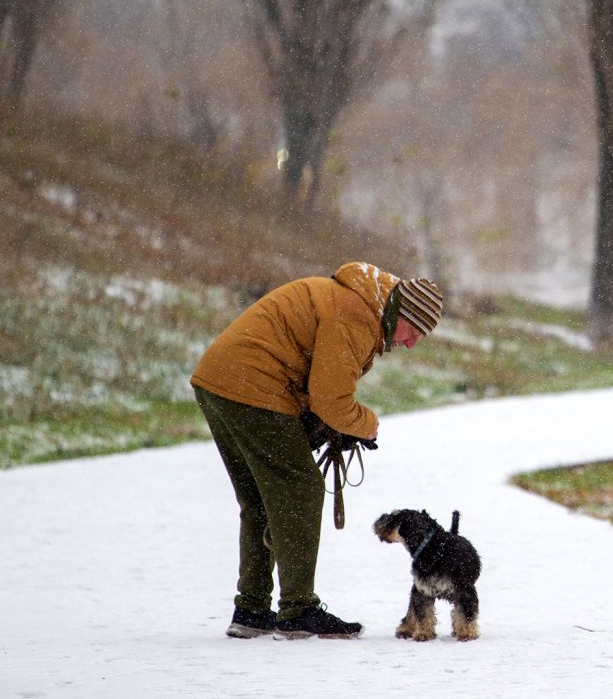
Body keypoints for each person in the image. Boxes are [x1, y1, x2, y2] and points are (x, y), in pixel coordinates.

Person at [190, 262, 443, 640]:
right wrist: (365, 423)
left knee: (262, 499)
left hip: (219, 383)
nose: (411, 342)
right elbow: (331, 399)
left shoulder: (358, 304)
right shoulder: (357, 314)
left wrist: (332, 422)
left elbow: (317, 390)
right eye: (415, 330)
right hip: (250, 384)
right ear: (401, 314)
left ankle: (252, 610)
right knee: (300, 488)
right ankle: (297, 610)